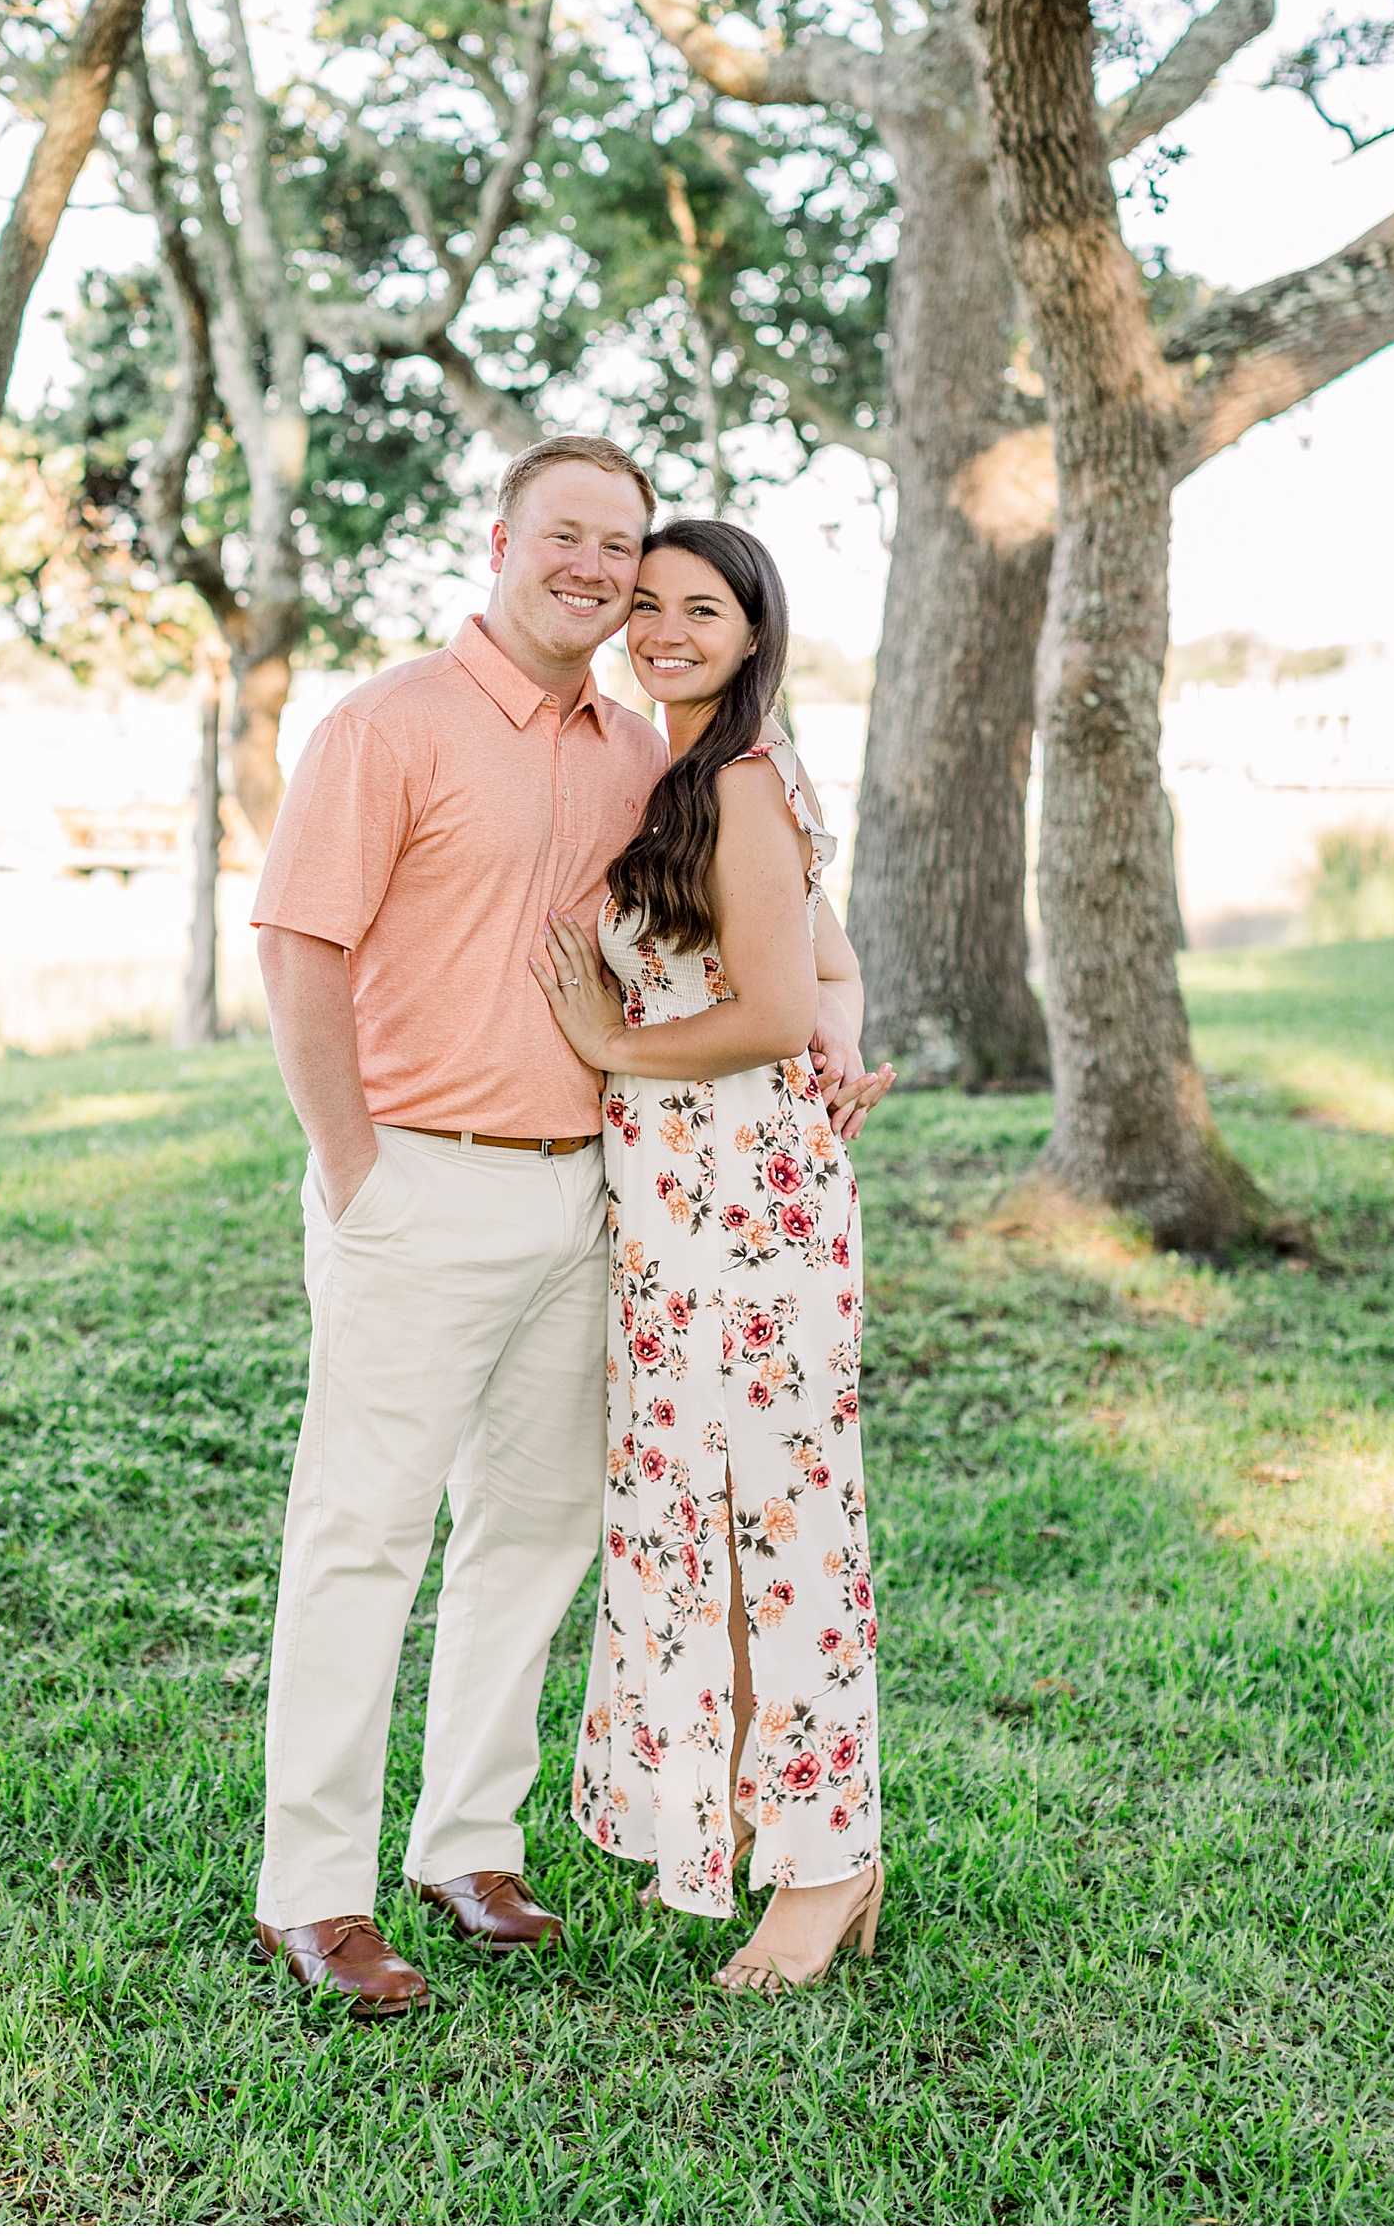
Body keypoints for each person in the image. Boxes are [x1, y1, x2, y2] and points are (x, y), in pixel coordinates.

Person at [249, 440, 870, 2014]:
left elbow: (791, 934)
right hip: (417, 1183)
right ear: (503, 539)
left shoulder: (645, 753)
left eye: (623, 547)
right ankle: (314, 1892)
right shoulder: (388, 723)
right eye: (569, 536)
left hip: (600, 1199)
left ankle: (468, 1845)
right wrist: (353, 1166)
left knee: (531, 1536)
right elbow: (299, 945)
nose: (598, 570)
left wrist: (835, 1044)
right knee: (362, 1539)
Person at [535, 518, 894, 1993]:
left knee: (784, 1538)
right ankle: (754, 1816)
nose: (665, 629)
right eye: (647, 602)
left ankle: (828, 1859)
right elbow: (833, 973)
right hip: (678, 1217)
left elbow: (770, 1009)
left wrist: (611, 1041)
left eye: (702, 608)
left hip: (754, 1217)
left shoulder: (742, 776)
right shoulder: (684, 776)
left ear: (753, 633)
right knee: (707, 1524)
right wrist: (844, 1046)